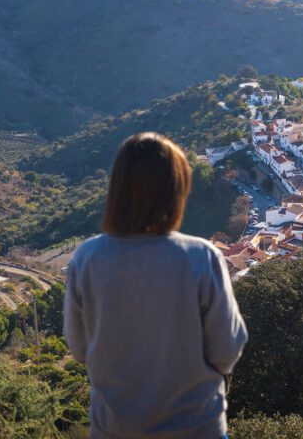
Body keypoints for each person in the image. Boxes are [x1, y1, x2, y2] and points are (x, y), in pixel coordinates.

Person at [64, 132, 248, 439]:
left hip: (114, 429)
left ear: (118, 189)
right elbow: (227, 349)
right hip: (196, 428)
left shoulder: (87, 258)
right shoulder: (201, 257)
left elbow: (79, 348)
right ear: (176, 191)